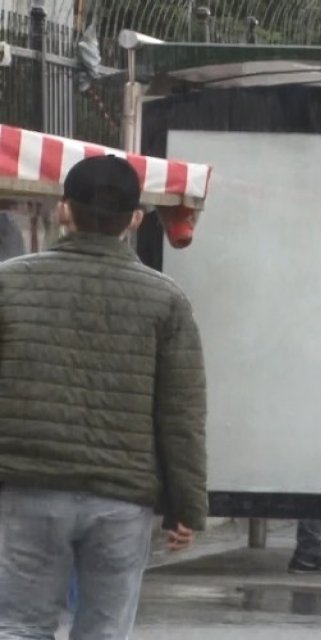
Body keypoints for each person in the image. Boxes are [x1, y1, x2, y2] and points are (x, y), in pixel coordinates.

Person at [0, 156, 207, 637]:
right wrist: (186, 507)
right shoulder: (166, 300)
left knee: (18, 626)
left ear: (63, 210)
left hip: (28, 489)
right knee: (105, 631)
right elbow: (181, 413)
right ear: (135, 218)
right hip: (122, 500)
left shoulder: (8, 283)